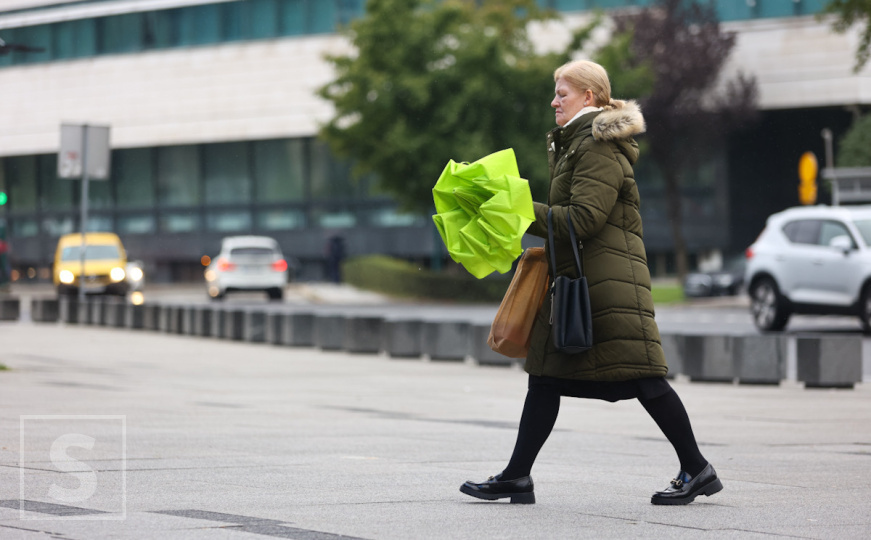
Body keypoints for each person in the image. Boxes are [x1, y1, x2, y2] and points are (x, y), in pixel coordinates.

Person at [459, 60, 722, 506]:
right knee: (544, 377)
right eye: (555, 92)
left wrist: (519, 208)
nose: (553, 101)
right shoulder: (576, 144)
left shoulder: (596, 146)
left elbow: (583, 219)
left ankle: (697, 468)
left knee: (645, 379)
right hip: (583, 281)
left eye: (563, 92)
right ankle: (517, 476)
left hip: (606, 285)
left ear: (591, 97)